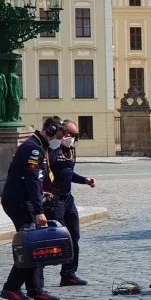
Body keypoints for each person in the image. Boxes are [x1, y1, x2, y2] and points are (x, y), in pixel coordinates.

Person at [0, 116, 65, 300]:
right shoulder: (34, 149)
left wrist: (41, 193)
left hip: (22, 199)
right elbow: (31, 179)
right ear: (50, 132)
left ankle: (35, 289)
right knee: (33, 244)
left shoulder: (38, 146)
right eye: (59, 136)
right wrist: (38, 210)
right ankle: (12, 287)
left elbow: (35, 179)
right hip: (20, 202)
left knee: (36, 243)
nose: (60, 140)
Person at [40, 120, 95, 288]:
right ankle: (35, 279)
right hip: (53, 201)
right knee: (55, 239)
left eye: (74, 135)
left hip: (67, 199)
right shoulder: (51, 150)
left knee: (74, 236)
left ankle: (69, 274)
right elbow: (43, 171)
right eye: (68, 134)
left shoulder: (71, 151)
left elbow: (68, 174)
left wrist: (84, 180)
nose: (71, 138)